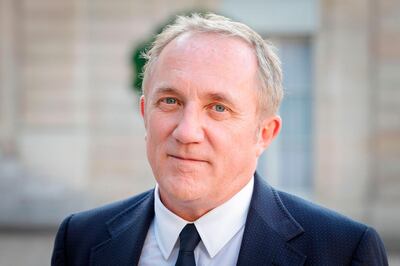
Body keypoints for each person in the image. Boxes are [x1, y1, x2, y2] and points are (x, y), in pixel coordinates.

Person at [51, 13, 388, 266]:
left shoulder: (343, 252)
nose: (186, 132)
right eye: (170, 101)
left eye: (218, 108)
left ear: (264, 134)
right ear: (144, 113)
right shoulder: (80, 240)